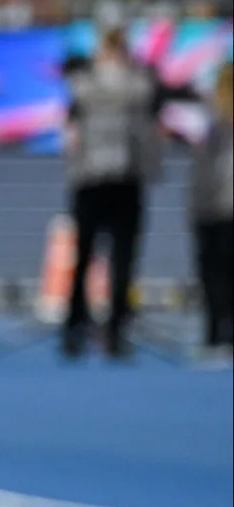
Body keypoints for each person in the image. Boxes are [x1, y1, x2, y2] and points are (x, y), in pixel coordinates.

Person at [59, 26, 192, 360]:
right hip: (114, 180)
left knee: (95, 258)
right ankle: (110, 330)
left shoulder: (88, 83)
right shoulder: (135, 84)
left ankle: (81, 327)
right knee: (117, 259)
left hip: (100, 180)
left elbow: (71, 121)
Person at [192, 64, 233, 361]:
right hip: (211, 209)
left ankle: (219, 334)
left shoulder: (214, 126)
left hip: (218, 209)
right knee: (213, 274)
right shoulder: (211, 124)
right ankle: (215, 333)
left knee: (217, 274)